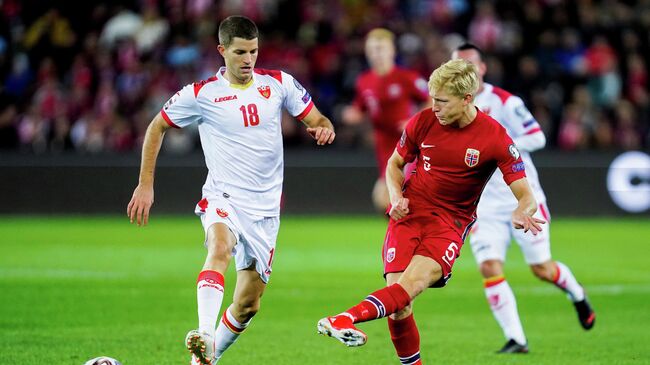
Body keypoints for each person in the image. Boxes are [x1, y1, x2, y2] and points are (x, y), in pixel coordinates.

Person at [127, 16, 335, 365]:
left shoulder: (279, 84)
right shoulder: (202, 93)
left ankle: (205, 358)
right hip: (223, 196)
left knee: (249, 304)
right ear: (222, 51)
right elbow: (156, 126)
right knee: (219, 247)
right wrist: (145, 184)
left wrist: (324, 129)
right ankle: (204, 332)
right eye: (240, 52)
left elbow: (318, 119)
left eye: (253, 51)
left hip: (265, 210)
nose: (248, 59)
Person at [317, 59, 544, 364]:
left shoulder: (495, 137)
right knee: (399, 305)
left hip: (449, 224)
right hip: (409, 214)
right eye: (432, 98)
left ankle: (344, 318)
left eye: (441, 101)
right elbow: (395, 164)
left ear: (467, 99)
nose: (434, 106)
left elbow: (526, 195)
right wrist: (396, 195)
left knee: (407, 289)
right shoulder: (422, 121)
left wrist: (520, 210)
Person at [452, 43, 595, 353]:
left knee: (542, 268)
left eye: (470, 64)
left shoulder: (505, 102)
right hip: (484, 206)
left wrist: (501, 144)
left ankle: (577, 293)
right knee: (489, 266)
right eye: (458, 65)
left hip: (522, 198)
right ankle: (517, 339)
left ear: (482, 69)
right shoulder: (450, 108)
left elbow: (539, 136)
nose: (465, 70)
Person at [342, 28, 430, 212]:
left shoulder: (406, 77)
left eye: (381, 48)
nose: (377, 54)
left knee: (387, 195)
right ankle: (406, 234)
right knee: (387, 200)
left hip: (407, 143)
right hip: (383, 146)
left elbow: (431, 100)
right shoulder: (364, 81)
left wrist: (414, 120)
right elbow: (361, 108)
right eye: (372, 49)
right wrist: (351, 114)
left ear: (392, 51)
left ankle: (406, 235)